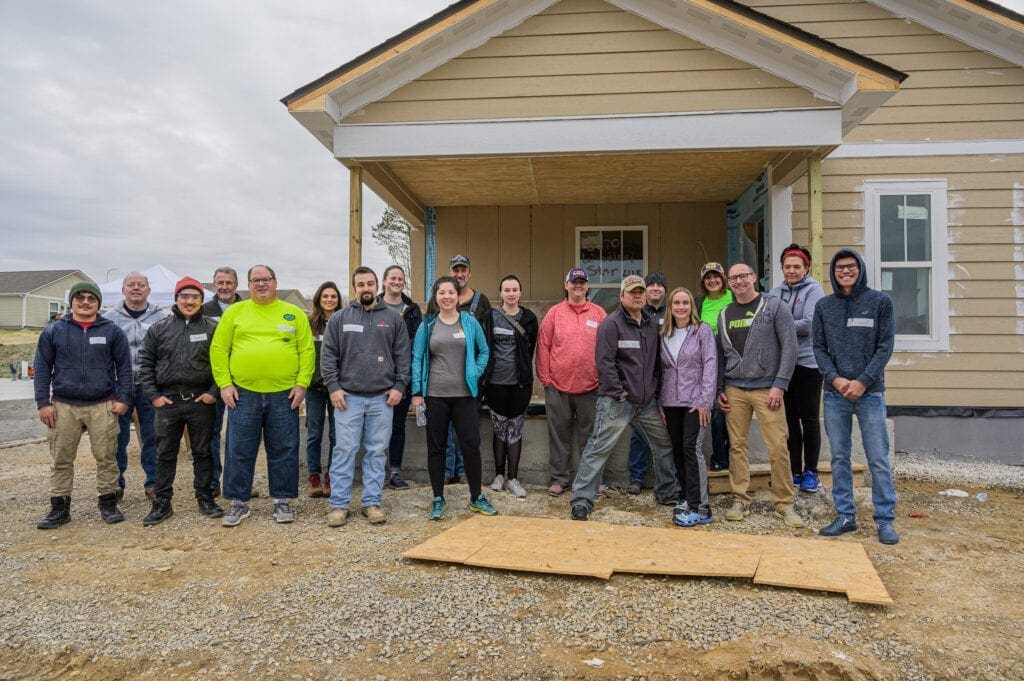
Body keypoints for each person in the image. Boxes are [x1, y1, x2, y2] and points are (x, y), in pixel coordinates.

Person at [209, 265, 315, 527]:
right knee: (239, 449)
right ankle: (238, 502)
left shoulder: (293, 314)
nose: (261, 284)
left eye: (265, 279)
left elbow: (307, 350)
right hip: (243, 393)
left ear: (275, 282)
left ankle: (281, 499)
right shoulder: (235, 312)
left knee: (284, 448)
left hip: (284, 394)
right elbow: (219, 349)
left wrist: (302, 384)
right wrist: (224, 384)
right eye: (255, 281)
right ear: (248, 285)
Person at [569, 275, 678, 521]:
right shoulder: (611, 324)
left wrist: (656, 394)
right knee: (598, 449)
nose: (638, 295)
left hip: (646, 402)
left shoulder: (651, 324)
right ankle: (581, 501)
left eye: (641, 291)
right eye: (632, 292)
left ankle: (666, 492)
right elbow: (604, 363)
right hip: (617, 402)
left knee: (663, 444)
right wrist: (618, 392)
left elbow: (656, 364)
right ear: (622, 296)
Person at [813, 249, 899, 545]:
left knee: (877, 458)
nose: (845, 271)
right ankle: (845, 515)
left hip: (870, 393)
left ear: (860, 268)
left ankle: (885, 519)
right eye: (839, 267)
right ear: (833, 272)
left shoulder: (880, 302)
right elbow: (818, 348)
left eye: (850, 266)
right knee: (839, 457)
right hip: (835, 394)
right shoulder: (824, 306)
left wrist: (863, 381)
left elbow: (885, 346)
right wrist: (835, 379)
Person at [34, 282, 131, 528]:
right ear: (72, 302)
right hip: (63, 405)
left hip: (103, 404)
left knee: (107, 457)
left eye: (91, 298)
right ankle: (59, 507)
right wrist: (43, 403)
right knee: (61, 458)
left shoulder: (112, 331)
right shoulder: (54, 331)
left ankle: (108, 503)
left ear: (98, 303)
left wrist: (124, 399)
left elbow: (125, 369)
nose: (85, 302)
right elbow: (43, 368)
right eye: (80, 297)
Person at [321, 267, 411, 527]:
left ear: (377, 285)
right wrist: (333, 387)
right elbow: (328, 356)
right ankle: (339, 504)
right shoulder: (340, 318)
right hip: (348, 398)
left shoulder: (393, 319)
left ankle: (371, 502)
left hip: (382, 398)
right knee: (344, 450)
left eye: (370, 283)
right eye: (360, 285)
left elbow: (403, 356)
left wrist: (399, 386)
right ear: (354, 288)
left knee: (376, 451)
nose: (366, 288)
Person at [716, 263, 802, 528]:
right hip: (735, 389)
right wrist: (720, 388)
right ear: (729, 283)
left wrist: (780, 384)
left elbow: (790, 346)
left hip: (768, 388)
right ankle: (740, 499)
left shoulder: (774, 306)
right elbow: (721, 354)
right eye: (734, 278)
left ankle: (784, 504)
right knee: (737, 446)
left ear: (754, 277)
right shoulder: (724, 313)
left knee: (777, 446)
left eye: (744, 276)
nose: (739, 281)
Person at [137, 277, 224, 525]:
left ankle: (205, 498)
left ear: (201, 300)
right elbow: (145, 364)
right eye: (184, 296)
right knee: (165, 453)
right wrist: (154, 396)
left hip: (201, 400)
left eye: (194, 297)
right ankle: (162, 502)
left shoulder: (211, 328)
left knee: (203, 452)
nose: (189, 301)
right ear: (176, 299)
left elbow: (222, 362)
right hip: (168, 401)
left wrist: (213, 392)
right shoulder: (159, 328)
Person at [411, 276, 496, 521]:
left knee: (470, 446)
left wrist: (476, 372)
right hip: (435, 398)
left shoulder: (469, 322)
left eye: (451, 292)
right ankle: (438, 498)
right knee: (436, 449)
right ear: (435, 297)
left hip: (465, 397)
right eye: (441, 292)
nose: (446, 296)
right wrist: (417, 393)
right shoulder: (427, 326)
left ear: (458, 297)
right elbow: (417, 359)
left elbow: (485, 350)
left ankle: (476, 497)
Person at [535, 267, 607, 497]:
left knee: (591, 438)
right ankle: (559, 479)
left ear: (587, 287)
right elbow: (543, 346)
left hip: (591, 387)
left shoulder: (599, 314)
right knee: (559, 436)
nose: (578, 286)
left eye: (582, 282)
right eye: (573, 282)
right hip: (557, 387)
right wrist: (546, 380)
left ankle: (591, 481)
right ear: (566, 285)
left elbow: (608, 349)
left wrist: (603, 380)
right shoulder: (554, 313)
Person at [427, 255, 492, 484]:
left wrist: (478, 373)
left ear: (469, 273)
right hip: (441, 383)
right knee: (443, 432)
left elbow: (486, 345)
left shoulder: (481, 302)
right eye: (456, 270)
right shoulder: (436, 302)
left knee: (467, 433)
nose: (460, 274)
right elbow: (426, 342)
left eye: (463, 270)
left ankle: (465, 471)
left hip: (470, 381)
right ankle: (445, 471)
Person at [104, 272, 168, 500]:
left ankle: (153, 483)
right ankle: (116, 484)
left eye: (141, 285)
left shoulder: (160, 317)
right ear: (123, 290)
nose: (136, 288)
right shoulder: (110, 318)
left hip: (149, 386)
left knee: (153, 436)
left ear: (148, 290)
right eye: (131, 285)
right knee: (117, 437)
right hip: (119, 387)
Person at [767, 244, 825, 493]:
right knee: (789, 420)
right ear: (782, 268)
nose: (791, 271)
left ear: (806, 268)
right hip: (783, 365)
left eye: (796, 267)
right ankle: (794, 471)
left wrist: (781, 324)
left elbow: (810, 324)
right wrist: (786, 324)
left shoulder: (814, 290)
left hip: (808, 363)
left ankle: (812, 471)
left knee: (809, 419)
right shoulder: (774, 292)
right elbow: (765, 321)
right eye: (787, 266)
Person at [659, 287, 717, 527]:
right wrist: (660, 402)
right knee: (678, 450)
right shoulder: (664, 333)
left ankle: (701, 506)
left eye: (685, 302)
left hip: (695, 402)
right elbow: (660, 370)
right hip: (671, 402)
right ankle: (686, 496)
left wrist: (705, 400)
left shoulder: (701, 331)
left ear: (691, 306)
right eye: (676, 303)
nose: (681, 307)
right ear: (670, 307)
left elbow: (710, 364)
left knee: (692, 449)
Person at [481, 274, 538, 500]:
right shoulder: (489, 317)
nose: (511, 293)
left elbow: (530, 348)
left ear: (520, 293)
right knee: (498, 429)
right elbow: (483, 347)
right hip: (495, 382)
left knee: (514, 429)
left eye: (515, 289)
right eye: (507, 290)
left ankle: (513, 478)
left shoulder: (529, 318)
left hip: (520, 384)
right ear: (500, 293)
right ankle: (499, 475)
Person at [379, 265, 423, 490]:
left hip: (402, 377)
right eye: (392, 278)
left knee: (397, 427)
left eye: (400, 279)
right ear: (384, 281)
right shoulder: (374, 306)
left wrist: (414, 385)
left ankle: (395, 472)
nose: (396, 281)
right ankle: (374, 473)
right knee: (375, 428)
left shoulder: (412, 309)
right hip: (376, 379)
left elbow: (418, 346)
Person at [201, 266, 243, 497]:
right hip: (212, 380)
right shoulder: (204, 310)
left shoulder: (247, 308)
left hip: (241, 379)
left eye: (229, 282)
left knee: (239, 437)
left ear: (236, 285)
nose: (224, 287)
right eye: (220, 283)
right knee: (212, 433)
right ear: (213, 285)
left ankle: (238, 481)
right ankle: (213, 480)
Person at [627, 270, 668, 495]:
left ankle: (669, 478)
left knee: (666, 433)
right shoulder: (637, 312)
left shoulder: (672, 312)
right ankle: (637, 476)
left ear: (664, 289)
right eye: (650, 285)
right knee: (638, 432)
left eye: (658, 285)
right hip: (641, 380)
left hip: (667, 377)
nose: (654, 288)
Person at [304, 281, 341, 498]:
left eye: (333, 296)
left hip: (337, 387)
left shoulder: (342, 322)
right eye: (325, 296)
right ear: (319, 299)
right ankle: (314, 476)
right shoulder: (309, 323)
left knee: (337, 435)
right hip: (314, 388)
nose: (329, 300)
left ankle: (331, 477)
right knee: (314, 434)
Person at [695, 262, 733, 471]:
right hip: (707, 362)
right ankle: (719, 456)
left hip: (732, 360)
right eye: (707, 277)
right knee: (717, 410)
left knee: (731, 408)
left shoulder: (734, 297)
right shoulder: (699, 301)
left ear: (723, 278)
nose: (712, 280)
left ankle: (733, 453)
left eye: (716, 276)